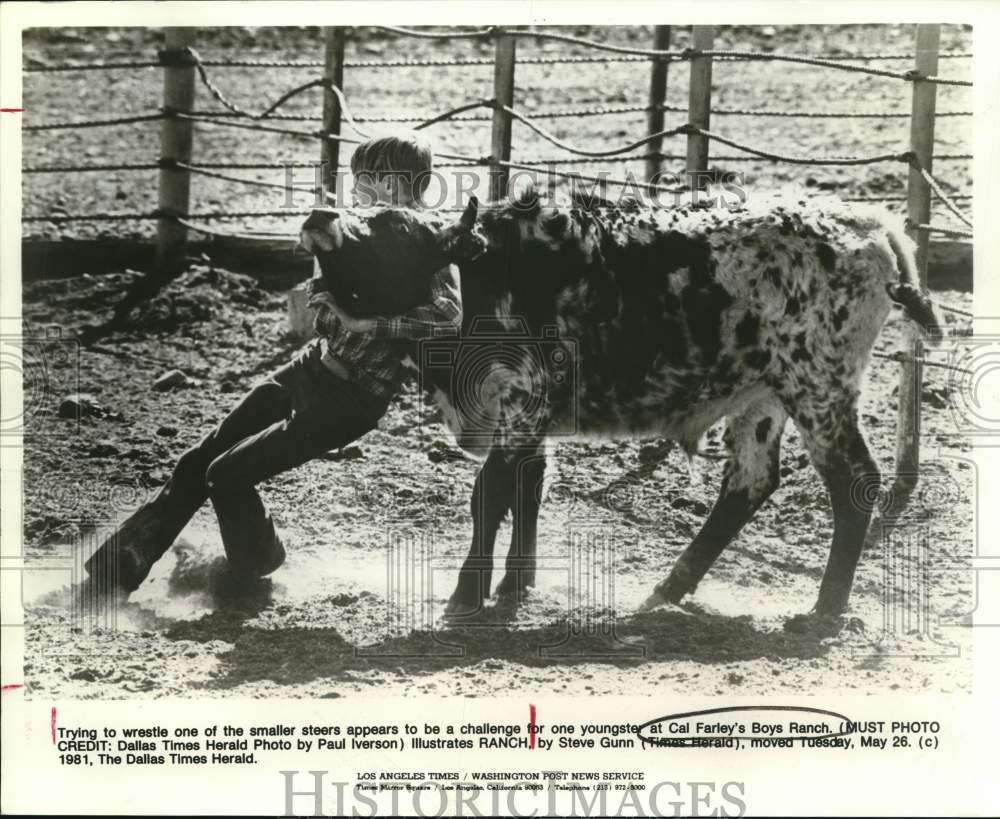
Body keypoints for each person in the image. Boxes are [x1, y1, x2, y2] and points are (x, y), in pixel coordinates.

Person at [85, 131, 462, 594]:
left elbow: (448, 313)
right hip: (311, 367)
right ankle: (116, 571)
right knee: (198, 460)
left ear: (390, 182)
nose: (356, 189)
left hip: (353, 398)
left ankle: (253, 574)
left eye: (363, 179)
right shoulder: (357, 233)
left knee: (227, 475)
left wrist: (369, 322)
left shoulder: (432, 241)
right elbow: (321, 307)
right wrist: (335, 297)